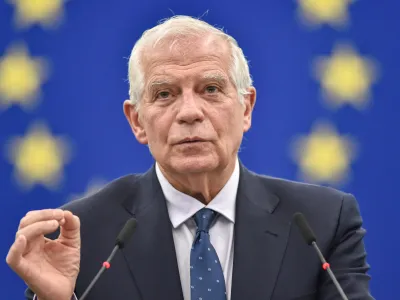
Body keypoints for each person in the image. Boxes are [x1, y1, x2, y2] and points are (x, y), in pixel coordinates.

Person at [6, 15, 374, 300]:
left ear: (246, 108)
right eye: (165, 94)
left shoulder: (322, 222)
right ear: (137, 121)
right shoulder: (85, 232)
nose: (189, 112)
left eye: (210, 89)